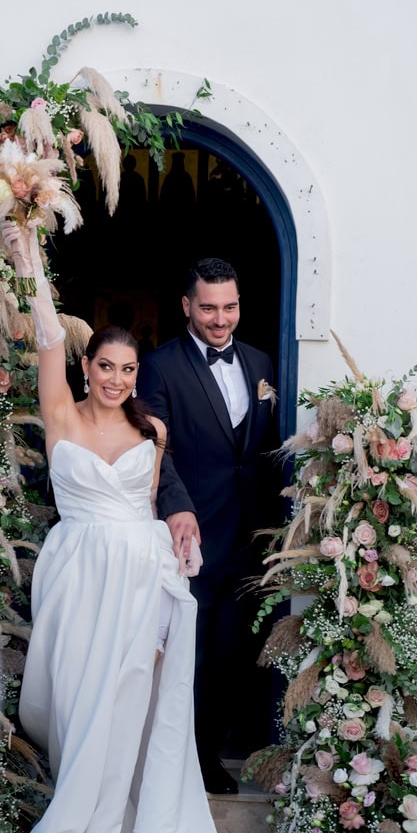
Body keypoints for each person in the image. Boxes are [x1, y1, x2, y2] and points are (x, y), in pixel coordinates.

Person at [0, 220, 219, 833]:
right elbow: (46, 339)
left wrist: (160, 613)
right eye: (105, 366)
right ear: (88, 367)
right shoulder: (61, 418)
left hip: (135, 582)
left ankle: (104, 830)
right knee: (72, 704)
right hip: (75, 576)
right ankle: (77, 809)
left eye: (128, 368)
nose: (117, 378)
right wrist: (29, 262)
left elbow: (153, 520)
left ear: (135, 373)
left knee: (124, 704)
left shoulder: (151, 435)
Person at [136, 257, 281, 796]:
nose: (221, 319)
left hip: (251, 539)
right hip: (190, 537)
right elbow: (156, 444)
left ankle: (210, 752)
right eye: (209, 308)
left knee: (230, 654)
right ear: (186, 307)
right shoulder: (159, 366)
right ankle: (180, 762)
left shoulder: (262, 362)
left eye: (230, 307)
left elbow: (264, 452)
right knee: (186, 655)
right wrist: (174, 505)